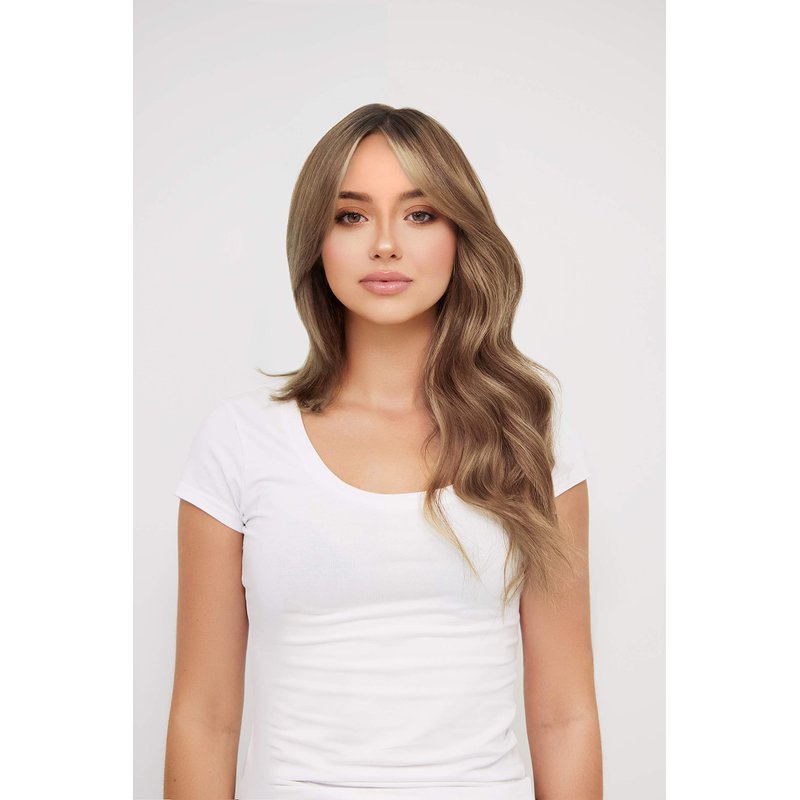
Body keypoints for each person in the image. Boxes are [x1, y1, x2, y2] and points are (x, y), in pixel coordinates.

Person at [164, 104, 602, 799]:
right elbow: (204, 717)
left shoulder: (528, 440)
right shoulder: (240, 442)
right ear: (317, 241)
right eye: (352, 216)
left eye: (420, 214)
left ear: (460, 235)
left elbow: (565, 715)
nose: (387, 244)